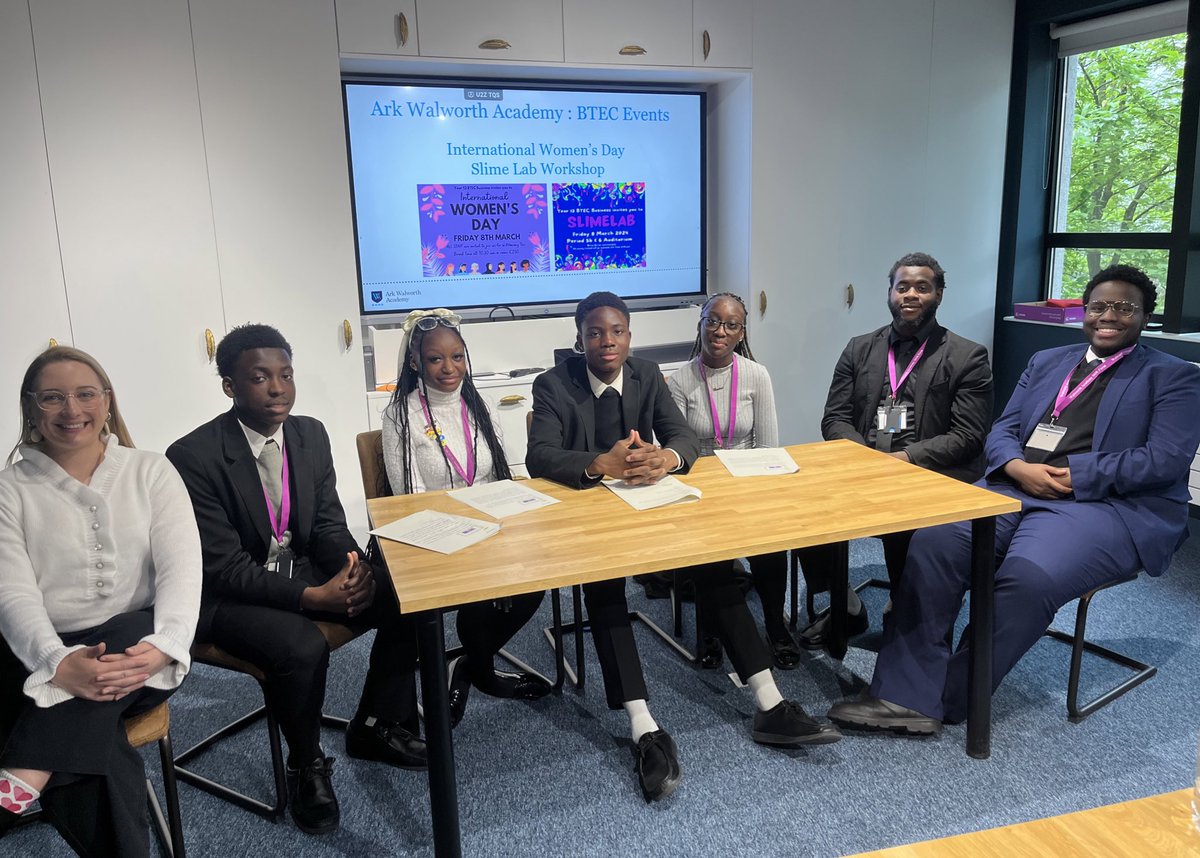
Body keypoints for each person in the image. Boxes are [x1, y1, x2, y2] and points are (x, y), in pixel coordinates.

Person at [829, 265, 1200, 734]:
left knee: (1028, 577)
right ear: (1085, 312)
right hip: (1015, 487)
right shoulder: (1048, 361)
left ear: (1145, 316)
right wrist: (1016, 466)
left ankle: (949, 695)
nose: (1109, 316)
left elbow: (1164, 460)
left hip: (1102, 506)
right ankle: (903, 692)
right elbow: (1002, 428)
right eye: (1099, 306)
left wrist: (1075, 475)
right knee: (934, 542)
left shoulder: (1172, 376)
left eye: (1124, 307)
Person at [527, 292, 839, 803]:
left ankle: (769, 701)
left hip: (650, 505)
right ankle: (643, 726)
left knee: (717, 563)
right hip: (590, 515)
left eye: (618, 332)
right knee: (605, 592)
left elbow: (681, 435)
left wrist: (667, 457)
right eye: (595, 333)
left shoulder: (647, 375)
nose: (608, 342)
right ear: (579, 337)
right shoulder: (553, 384)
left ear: (630, 335)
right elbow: (539, 454)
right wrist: (598, 463)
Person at [166, 324, 424, 836]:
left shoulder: (309, 434)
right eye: (260, 378)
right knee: (300, 646)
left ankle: (376, 725)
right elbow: (224, 567)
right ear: (230, 387)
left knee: (405, 596)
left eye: (285, 375)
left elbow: (326, 524)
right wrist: (312, 595)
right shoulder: (192, 457)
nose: (278, 388)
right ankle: (305, 763)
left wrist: (353, 568)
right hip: (225, 597)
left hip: (298, 570)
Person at [0, 347, 202, 857]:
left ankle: (26, 771)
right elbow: (12, 592)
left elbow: (184, 573)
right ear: (31, 408)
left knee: (135, 625)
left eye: (86, 394)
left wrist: (164, 646)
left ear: (107, 402)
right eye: (53, 397)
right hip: (38, 650)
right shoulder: (9, 489)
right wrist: (58, 664)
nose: (72, 410)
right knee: (99, 754)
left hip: (137, 654)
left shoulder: (151, 471)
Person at [795, 252, 992, 651]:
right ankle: (845, 605)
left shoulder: (967, 356)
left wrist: (903, 461)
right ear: (890, 292)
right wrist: (865, 459)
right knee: (802, 508)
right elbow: (834, 419)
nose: (911, 294)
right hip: (865, 461)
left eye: (922, 287)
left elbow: (969, 435)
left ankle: (905, 605)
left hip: (931, 469)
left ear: (938, 294)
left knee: (906, 522)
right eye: (903, 286)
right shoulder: (860, 348)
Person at [381, 308, 551, 727]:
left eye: (457, 356)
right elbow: (409, 498)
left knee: (534, 583)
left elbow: (498, 474)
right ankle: (481, 668)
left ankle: (473, 666)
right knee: (473, 591)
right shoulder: (401, 416)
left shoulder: (480, 405)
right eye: (436, 359)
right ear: (416, 362)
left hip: (489, 529)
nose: (448, 368)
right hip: (435, 537)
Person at [666, 293, 801, 669]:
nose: (719, 331)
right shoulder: (679, 380)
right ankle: (710, 631)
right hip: (702, 492)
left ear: (741, 332)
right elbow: (679, 448)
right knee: (711, 558)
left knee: (772, 549)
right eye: (711, 321)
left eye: (730, 325)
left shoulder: (756, 375)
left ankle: (775, 626)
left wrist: (752, 496)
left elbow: (769, 446)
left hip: (751, 485)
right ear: (701, 325)